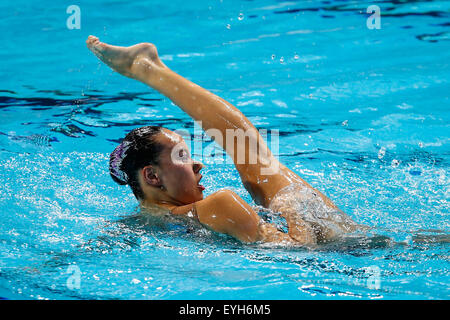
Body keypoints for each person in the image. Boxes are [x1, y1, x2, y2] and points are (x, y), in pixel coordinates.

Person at [86, 35, 359, 246]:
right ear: (152, 176)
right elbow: (302, 253)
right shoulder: (222, 205)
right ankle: (148, 69)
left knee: (255, 161)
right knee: (257, 164)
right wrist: (295, 208)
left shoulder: (138, 223)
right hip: (358, 254)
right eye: (182, 156)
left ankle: (147, 67)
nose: (198, 166)